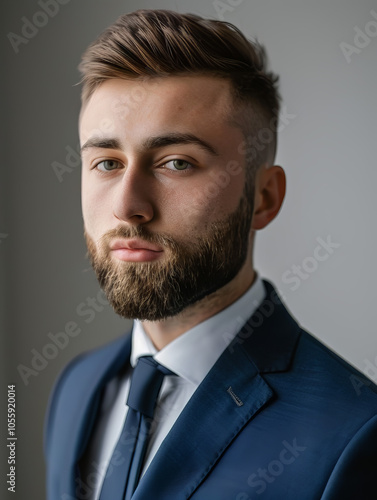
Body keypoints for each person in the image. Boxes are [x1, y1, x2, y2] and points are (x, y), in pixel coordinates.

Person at [44, 9, 377, 500]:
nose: (127, 206)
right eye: (107, 163)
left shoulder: (355, 434)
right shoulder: (75, 385)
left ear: (263, 197)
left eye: (177, 163)